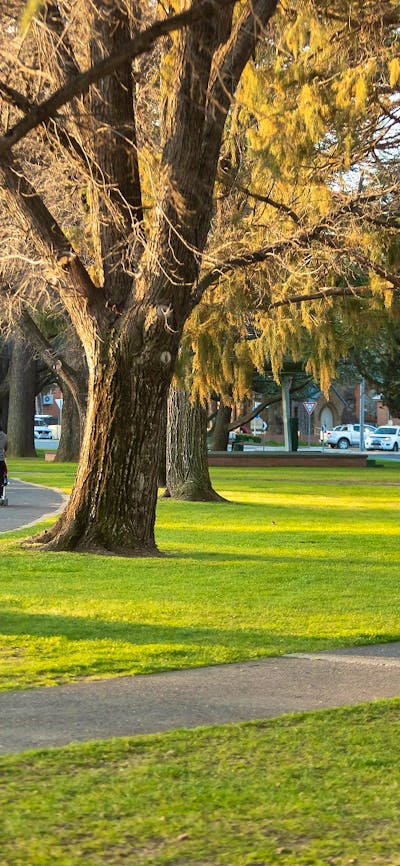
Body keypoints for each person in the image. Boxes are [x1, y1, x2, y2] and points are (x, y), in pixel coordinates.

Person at [0, 424, 7, 499]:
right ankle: (1, 494)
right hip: (1, 460)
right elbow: (6, 447)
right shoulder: (5, 436)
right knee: (1, 478)